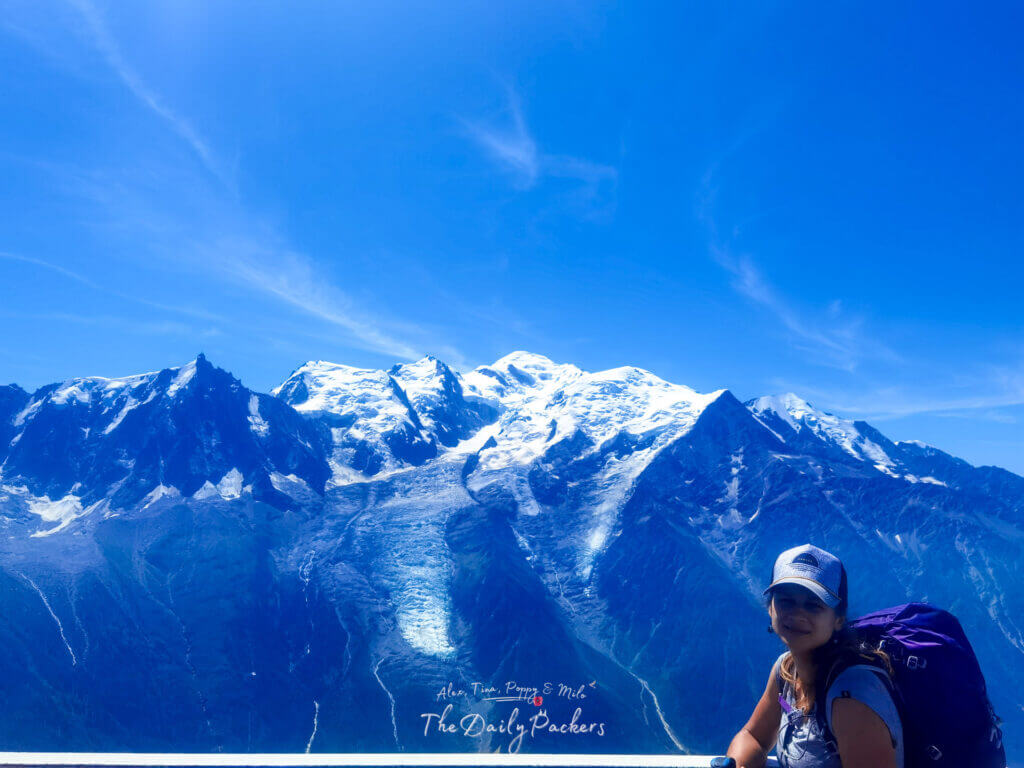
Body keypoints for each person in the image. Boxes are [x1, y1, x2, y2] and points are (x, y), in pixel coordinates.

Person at [726, 544, 903, 768]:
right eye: (786, 601)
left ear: (838, 619)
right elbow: (754, 737)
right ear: (770, 608)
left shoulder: (851, 697)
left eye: (813, 605)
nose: (797, 614)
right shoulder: (786, 670)